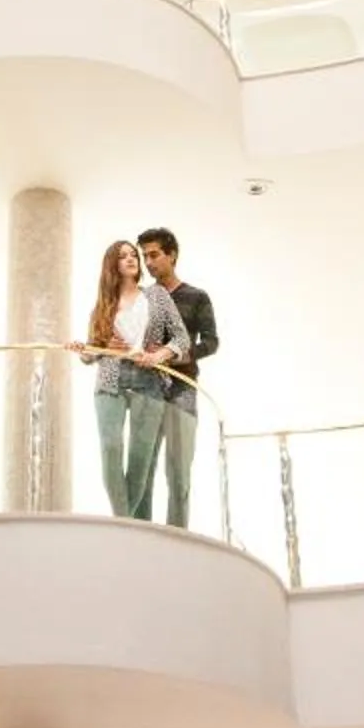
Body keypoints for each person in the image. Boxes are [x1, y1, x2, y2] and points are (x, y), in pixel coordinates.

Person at [82, 237, 188, 519]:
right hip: (110, 380)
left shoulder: (157, 295)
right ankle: (124, 524)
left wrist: (159, 355)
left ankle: (123, 526)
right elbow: (91, 353)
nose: (131, 259)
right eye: (123, 256)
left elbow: (181, 338)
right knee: (111, 448)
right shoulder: (103, 305)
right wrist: (84, 349)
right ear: (112, 265)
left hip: (149, 382)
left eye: (133, 255)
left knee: (140, 460)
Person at [137, 227, 219, 529]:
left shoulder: (196, 297)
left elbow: (211, 342)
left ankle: (177, 538)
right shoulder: (142, 298)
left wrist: (176, 355)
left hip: (183, 390)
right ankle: (139, 535)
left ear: (172, 255)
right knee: (141, 468)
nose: (149, 262)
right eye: (145, 256)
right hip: (146, 391)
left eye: (155, 255)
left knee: (179, 471)